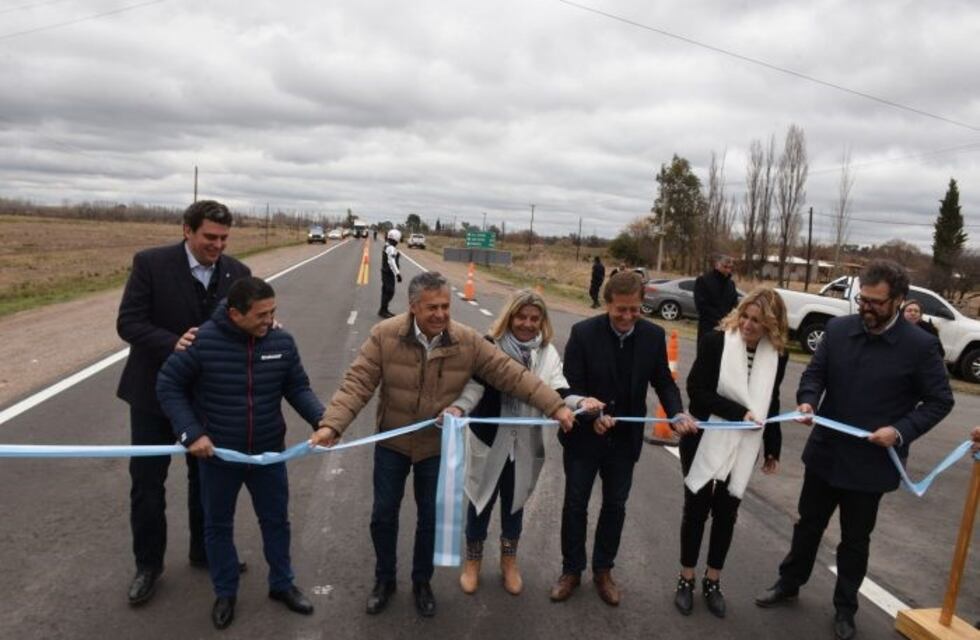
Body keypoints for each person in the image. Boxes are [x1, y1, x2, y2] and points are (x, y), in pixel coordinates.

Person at [311, 272, 575, 618]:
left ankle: (423, 582)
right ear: (413, 307)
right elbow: (357, 382)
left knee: (430, 518)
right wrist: (332, 425)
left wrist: (554, 405)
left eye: (445, 306)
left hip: (436, 447)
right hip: (392, 441)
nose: (440, 314)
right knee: (383, 515)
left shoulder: (466, 341)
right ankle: (384, 580)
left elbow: (511, 374)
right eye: (432, 307)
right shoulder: (384, 335)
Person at [755, 260, 954, 640]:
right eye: (862, 299)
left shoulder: (920, 347)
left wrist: (899, 431)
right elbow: (815, 375)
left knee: (855, 540)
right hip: (826, 452)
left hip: (871, 463)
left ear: (898, 300)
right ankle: (789, 582)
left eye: (876, 302)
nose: (866, 307)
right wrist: (808, 402)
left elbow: (939, 401)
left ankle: (845, 608)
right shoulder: (839, 329)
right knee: (807, 523)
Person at [156, 277, 331, 630]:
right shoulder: (202, 342)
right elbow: (168, 385)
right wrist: (192, 433)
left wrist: (324, 421)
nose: (270, 321)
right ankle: (225, 591)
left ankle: (282, 584)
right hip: (219, 456)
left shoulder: (281, 341)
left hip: (269, 454)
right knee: (217, 524)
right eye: (262, 314)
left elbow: (297, 387)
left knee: (276, 521)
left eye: (273, 312)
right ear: (235, 314)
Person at [116, 199, 251, 606]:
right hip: (152, 396)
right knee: (147, 485)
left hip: (205, 399)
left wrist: (264, 326)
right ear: (187, 231)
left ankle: (204, 550)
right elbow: (129, 323)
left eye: (224, 238)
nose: (218, 245)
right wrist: (172, 343)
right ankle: (148, 565)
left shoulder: (238, 274)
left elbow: (243, 322)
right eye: (210, 237)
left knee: (207, 481)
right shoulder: (150, 264)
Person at [550, 271, 696, 607]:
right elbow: (568, 388)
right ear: (607, 305)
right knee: (575, 505)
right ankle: (571, 570)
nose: (628, 317)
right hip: (584, 440)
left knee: (615, 506)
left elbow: (664, 382)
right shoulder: (583, 334)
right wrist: (591, 417)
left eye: (635, 309)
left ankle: (603, 570)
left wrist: (676, 412)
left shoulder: (652, 335)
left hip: (624, 442)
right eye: (621, 310)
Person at [449, 290, 603, 596]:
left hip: (525, 443)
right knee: (480, 502)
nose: (528, 324)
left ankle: (509, 562)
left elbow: (559, 391)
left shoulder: (546, 353)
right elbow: (474, 388)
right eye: (521, 316)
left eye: (535, 318)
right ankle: (473, 563)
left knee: (515, 502)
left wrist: (581, 402)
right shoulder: (488, 346)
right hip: (489, 441)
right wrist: (459, 408)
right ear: (510, 316)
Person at [674, 288, 790, 618]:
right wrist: (740, 413)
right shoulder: (716, 342)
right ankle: (686, 578)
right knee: (696, 508)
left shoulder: (776, 356)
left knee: (727, 512)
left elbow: (773, 401)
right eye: (746, 317)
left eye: (758, 321)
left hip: (746, 442)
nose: (748, 325)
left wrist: (773, 447)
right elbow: (697, 393)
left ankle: (713, 580)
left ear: (772, 326)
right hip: (704, 435)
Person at [694, 253, 738, 342]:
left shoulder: (731, 284)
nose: (728, 270)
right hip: (707, 328)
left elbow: (734, 305)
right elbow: (701, 306)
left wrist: (729, 320)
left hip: (726, 329)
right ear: (717, 265)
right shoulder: (703, 280)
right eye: (725, 267)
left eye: (730, 267)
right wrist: (720, 320)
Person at [378, 229, 402, 318]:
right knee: (389, 292)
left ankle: (384, 309)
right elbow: (392, 262)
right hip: (388, 273)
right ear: (397, 238)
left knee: (385, 291)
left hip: (385, 272)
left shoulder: (387, 246)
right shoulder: (391, 248)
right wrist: (398, 274)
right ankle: (383, 310)